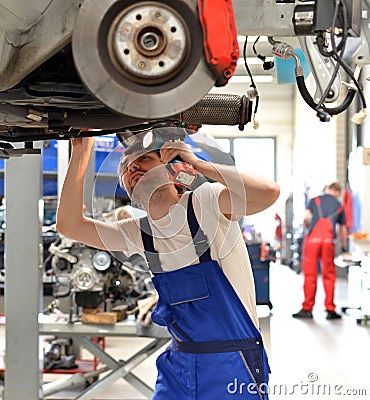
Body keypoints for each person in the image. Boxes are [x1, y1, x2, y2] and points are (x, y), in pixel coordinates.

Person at [56, 129, 280, 399]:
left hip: (232, 363)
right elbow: (69, 225)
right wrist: (81, 151)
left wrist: (197, 163)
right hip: (179, 366)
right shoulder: (141, 232)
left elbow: (268, 192)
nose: (132, 167)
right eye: (125, 168)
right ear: (126, 188)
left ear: (172, 169)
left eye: (144, 159)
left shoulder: (205, 203)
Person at [293, 182, 347, 320]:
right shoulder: (339, 206)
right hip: (328, 241)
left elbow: (305, 218)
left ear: (328, 189)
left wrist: (308, 228)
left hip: (312, 241)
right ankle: (330, 309)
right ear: (337, 192)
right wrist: (343, 247)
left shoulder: (314, 200)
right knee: (329, 275)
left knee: (310, 274)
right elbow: (341, 230)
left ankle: (307, 309)